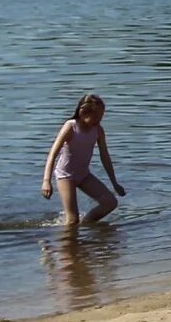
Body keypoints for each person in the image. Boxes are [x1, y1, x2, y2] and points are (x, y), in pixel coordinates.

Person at [41, 93, 125, 225]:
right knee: (72, 220)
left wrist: (114, 183)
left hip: (83, 175)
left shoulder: (98, 130)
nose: (99, 120)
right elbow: (52, 154)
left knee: (110, 203)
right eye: (96, 116)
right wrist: (46, 181)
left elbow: (105, 157)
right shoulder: (71, 127)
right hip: (65, 176)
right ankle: (65, 240)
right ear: (83, 113)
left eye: (101, 116)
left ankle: (86, 225)